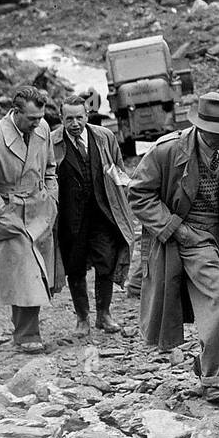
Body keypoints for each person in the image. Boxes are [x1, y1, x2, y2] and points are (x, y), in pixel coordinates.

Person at [128, 93, 219, 404]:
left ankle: (210, 365)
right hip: (192, 234)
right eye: (216, 135)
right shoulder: (166, 150)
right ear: (200, 128)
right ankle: (217, 380)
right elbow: (139, 194)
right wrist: (176, 229)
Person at [0, 87, 59, 353]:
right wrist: (2, 212)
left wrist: (51, 197)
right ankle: (27, 334)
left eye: (41, 117)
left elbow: (51, 169)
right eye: (32, 118)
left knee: (40, 274)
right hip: (10, 215)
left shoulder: (42, 131)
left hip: (40, 210)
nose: (38, 123)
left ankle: (24, 333)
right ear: (16, 112)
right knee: (23, 274)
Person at [53, 96, 134, 337]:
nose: (75, 123)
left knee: (106, 262)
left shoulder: (104, 137)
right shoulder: (52, 143)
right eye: (69, 119)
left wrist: (127, 196)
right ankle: (82, 318)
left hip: (102, 213)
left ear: (87, 116)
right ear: (61, 119)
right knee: (75, 268)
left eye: (79, 117)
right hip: (69, 218)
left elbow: (119, 170)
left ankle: (104, 314)